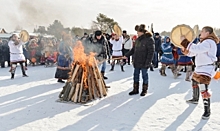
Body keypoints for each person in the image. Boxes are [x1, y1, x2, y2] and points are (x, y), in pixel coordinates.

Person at [181, 26, 219, 119]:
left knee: (203, 89)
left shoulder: (209, 42)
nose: (200, 33)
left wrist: (185, 41)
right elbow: (194, 52)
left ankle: (207, 111)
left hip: (206, 69)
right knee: (194, 81)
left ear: (207, 33)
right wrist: (186, 50)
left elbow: (197, 49)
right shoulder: (203, 42)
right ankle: (195, 98)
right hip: (200, 68)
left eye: (202, 31)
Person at [123, 24, 155, 96]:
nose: (137, 33)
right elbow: (133, 50)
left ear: (142, 32)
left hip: (144, 62)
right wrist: (126, 55)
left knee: (144, 76)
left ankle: (144, 90)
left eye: (138, 32)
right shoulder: (138, 39)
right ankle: (135, 89)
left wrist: (148, 62)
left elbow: (151, 52)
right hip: (137, 61)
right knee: (136, 75)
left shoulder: (149, 39)